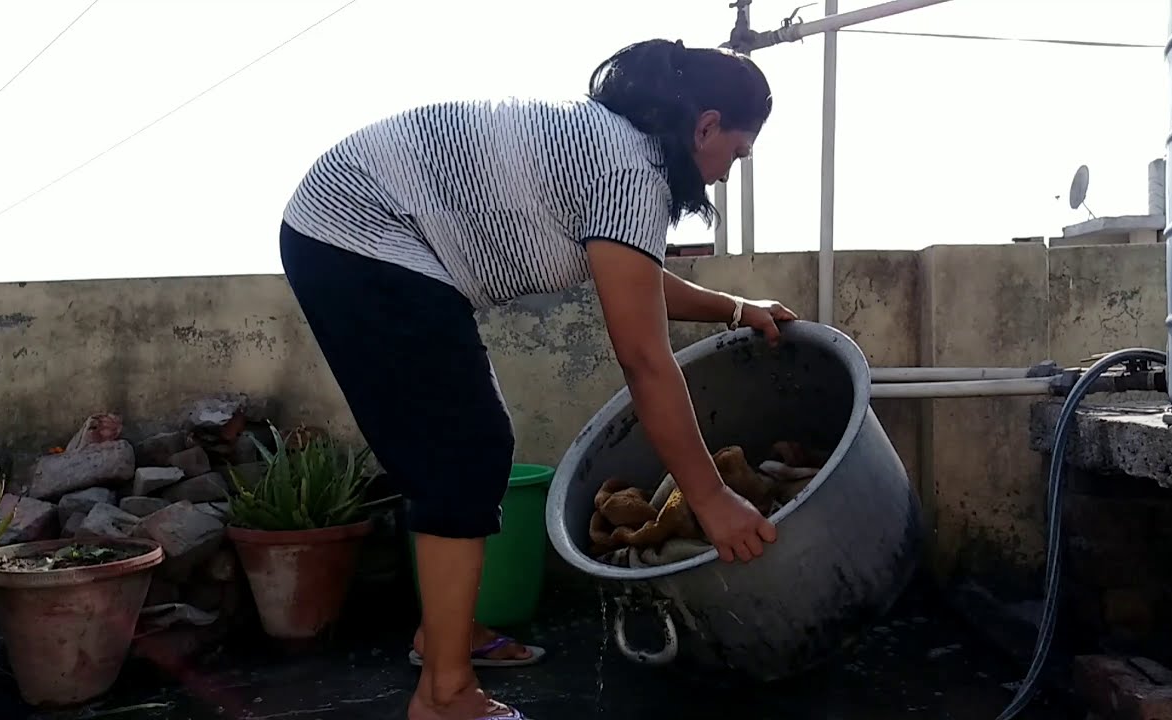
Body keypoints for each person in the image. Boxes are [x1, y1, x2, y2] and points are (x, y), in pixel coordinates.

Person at [278, 37, 794, 720]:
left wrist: (734, 309)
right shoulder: (630, 169)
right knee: (462, 452)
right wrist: (712, 498)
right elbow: (644, 358)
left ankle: (445, 637)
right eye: (736, 151)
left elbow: (634, 281)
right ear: (705, 127)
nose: (728, 174)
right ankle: (446, 696)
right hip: (357, 232)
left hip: (350, 229)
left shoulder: (617, 154)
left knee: (467, 451)